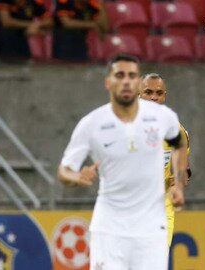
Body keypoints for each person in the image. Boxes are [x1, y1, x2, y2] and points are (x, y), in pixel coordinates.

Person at [57, 54, 188, 270]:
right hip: (110, 228)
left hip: (151, 228)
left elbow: (179, 143)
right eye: (120, 75)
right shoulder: (92, 124)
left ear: (137, 82)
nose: (126, 80)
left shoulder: (163, 118)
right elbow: (64, 170)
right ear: (108, 82)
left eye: (132, 75)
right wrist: (76, 177)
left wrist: (178, 184)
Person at [139, 73, 191, 246]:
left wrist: (178, 185)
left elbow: (184, 170)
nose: (154, 97)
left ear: (164, 96)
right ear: (139, 94)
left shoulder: (175, 131)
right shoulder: (123, 127)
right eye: (148, 92)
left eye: (159, 93)